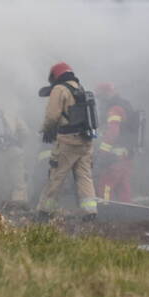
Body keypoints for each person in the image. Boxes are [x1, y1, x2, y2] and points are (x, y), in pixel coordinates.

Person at [37, 62, 99, 217]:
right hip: (86, 141)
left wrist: (46, 129)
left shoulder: (59, 89)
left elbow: (52, 116)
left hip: (67, 142)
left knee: (56, 176)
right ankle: (90, 212)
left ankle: (45, 211)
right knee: (84, 177)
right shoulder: (79, 88)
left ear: (55, 76)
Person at [93, 82, 143, 203]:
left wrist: (102, 154)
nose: (99, 101)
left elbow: (113, 132)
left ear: (105, 95)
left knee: (105, 185)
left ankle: (105, 211)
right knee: (123, 188)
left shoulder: (114, 109)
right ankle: (127, 213)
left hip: (115, 158)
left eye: (100, 97)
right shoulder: (124, 105)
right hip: (126, 156)